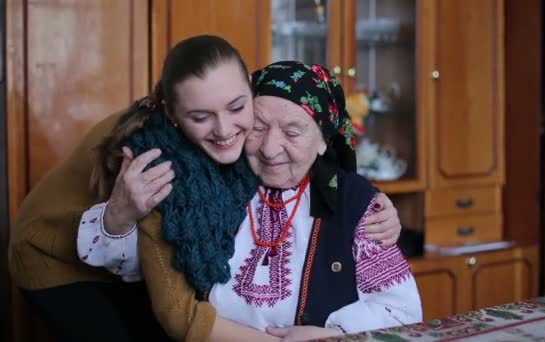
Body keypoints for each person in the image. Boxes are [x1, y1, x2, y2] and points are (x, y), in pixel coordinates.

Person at [8, 35, 401, 342]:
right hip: (55, 256)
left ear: (251, 92)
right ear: (173, 116)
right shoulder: (160, 167)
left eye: (237, 108)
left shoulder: (242, 115)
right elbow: (180, 317)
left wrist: (372, 203)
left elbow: (306, 143)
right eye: (201, 117)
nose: (227, 130)